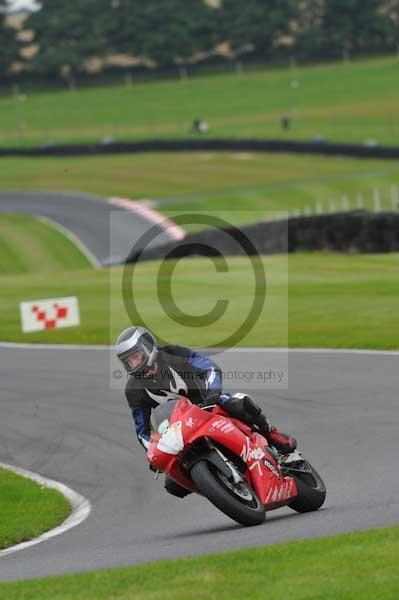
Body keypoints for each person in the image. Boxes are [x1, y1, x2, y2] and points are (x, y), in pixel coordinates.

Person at [116, 326, 297, 498]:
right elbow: (142, 431)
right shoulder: (133, 390)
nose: (134, 363)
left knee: (237, 403)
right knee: (172, 483)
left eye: (136, 356)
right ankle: (219, 487)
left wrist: (212, 394)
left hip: (207, 405)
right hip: (179, 431)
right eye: (128, 361)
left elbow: (209, 368)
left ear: (148, 347)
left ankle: (271, 433)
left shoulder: (174, 354)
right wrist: (154, 453)